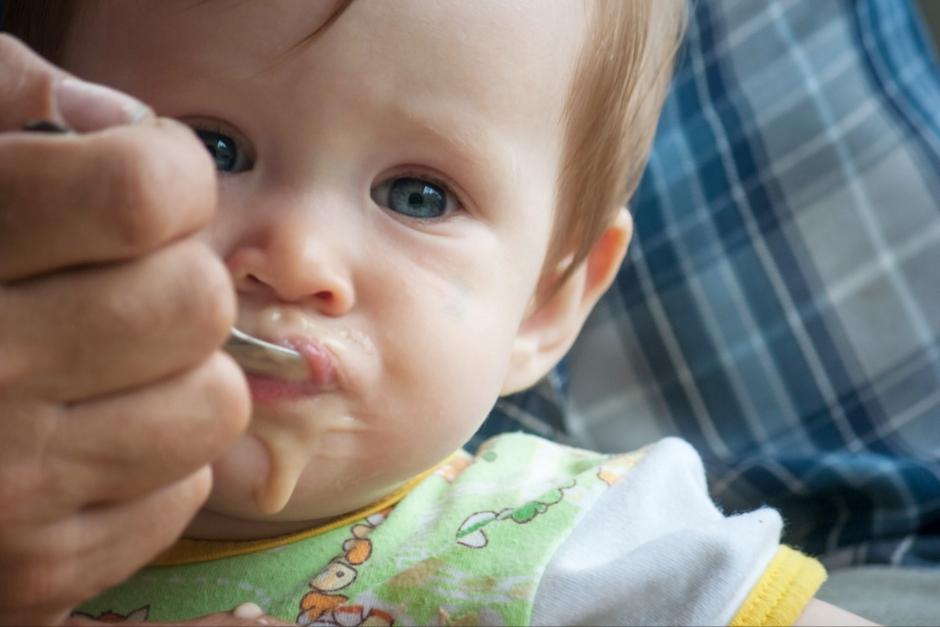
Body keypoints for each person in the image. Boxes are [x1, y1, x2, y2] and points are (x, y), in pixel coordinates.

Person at [0, 1, 873, 625]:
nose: (299, 260)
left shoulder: (576, 548)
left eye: (417, 195)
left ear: (545, 303)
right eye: (212, 147)